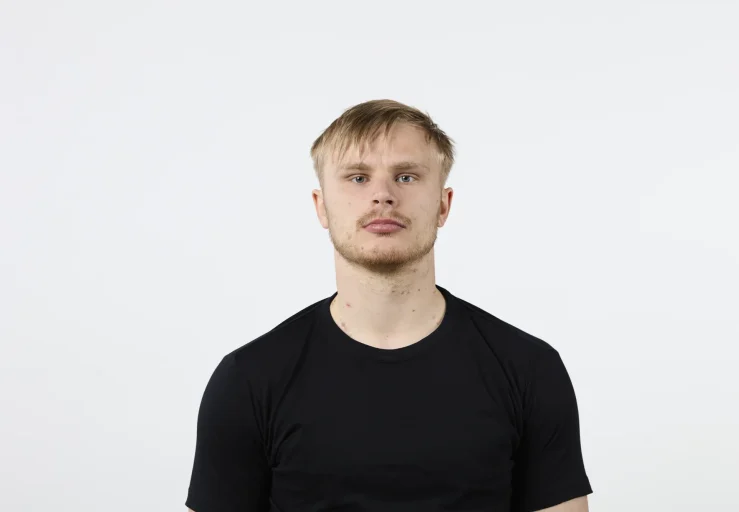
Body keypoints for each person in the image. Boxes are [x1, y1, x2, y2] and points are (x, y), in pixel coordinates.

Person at [185, 99, 593, 512]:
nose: (382, 195)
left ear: (443, 205)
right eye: (358, 177)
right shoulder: (249, 380)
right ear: (321, 206)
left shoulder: (529, 370)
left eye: (406, 176)